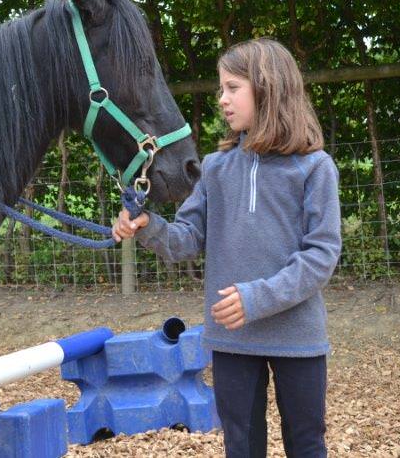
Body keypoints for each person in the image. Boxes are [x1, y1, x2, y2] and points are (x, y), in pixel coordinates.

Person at [113, 38, 341, 458]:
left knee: (307, 445)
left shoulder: (315, 167)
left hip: (298, 337)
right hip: (231, 338)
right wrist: (148, 227)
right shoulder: (215, 168)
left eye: (233, 88)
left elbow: (321, 256)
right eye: (222, 89)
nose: (222, 99)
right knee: (241, 447)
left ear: (268, 88)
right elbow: (187, 238)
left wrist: (255, 298)